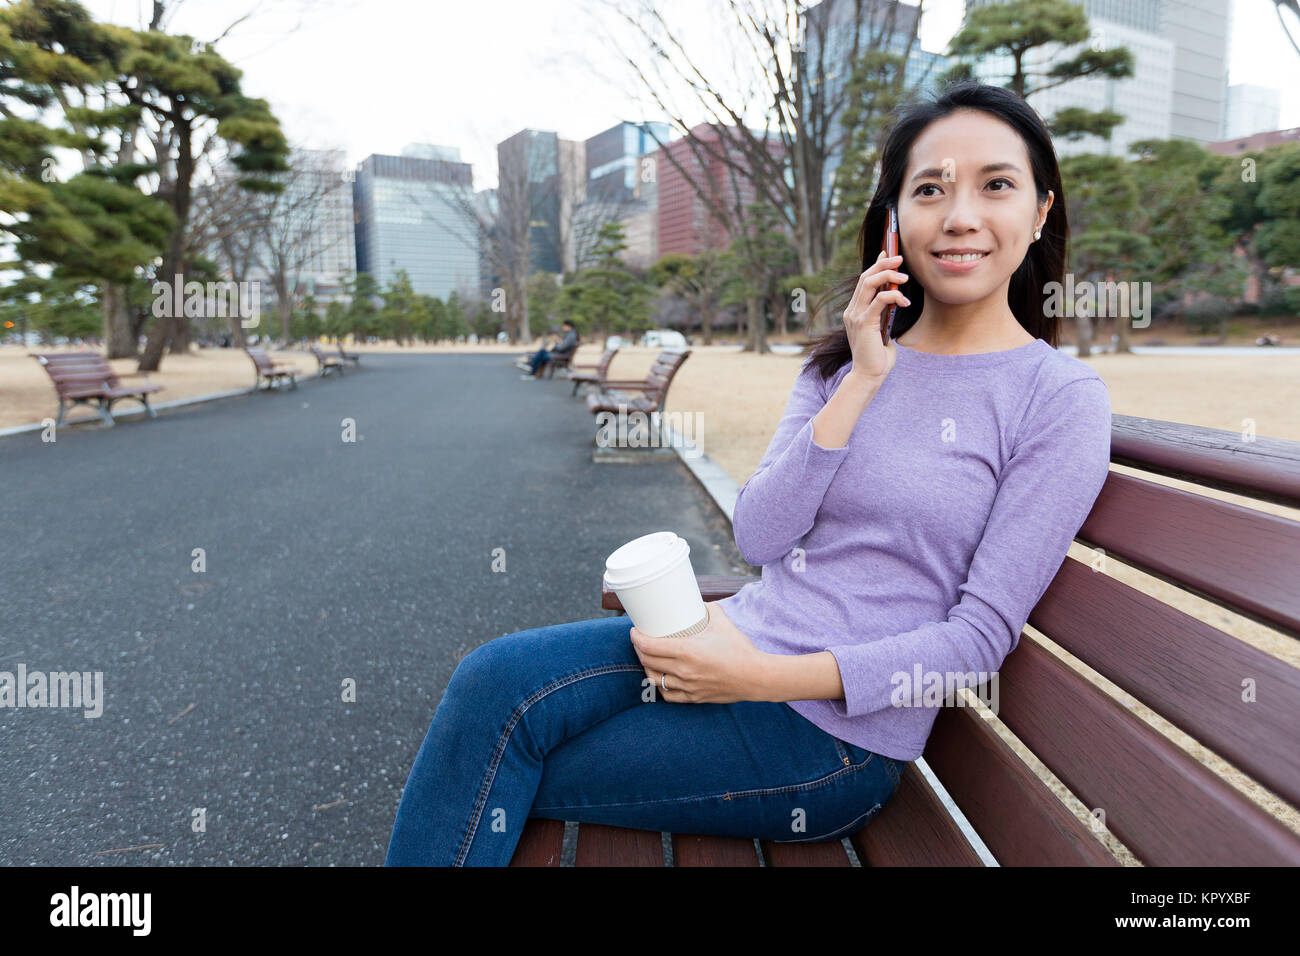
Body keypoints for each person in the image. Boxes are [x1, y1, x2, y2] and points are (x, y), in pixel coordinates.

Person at [385, 80, 1113, 866]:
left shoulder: (1057, 400)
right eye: (930, 188)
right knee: (490, 682)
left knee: (497, 761)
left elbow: (976, 643)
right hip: (727, 640)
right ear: (896, 218)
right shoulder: (842, 366)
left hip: (832, 741)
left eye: (995, 185)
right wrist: (866, 380)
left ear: (1040, 211)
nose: (961, 216)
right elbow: (762, 534)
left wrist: (757, 677)